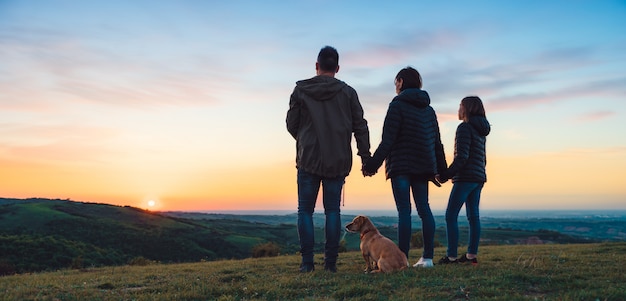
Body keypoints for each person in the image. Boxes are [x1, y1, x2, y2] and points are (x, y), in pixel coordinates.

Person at [286, 46, 371, 273]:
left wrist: (305, 139)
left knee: (305, 211)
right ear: (337, 68)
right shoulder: (348, 93)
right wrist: (365, 156)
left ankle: (307, 264)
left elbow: (291, 124)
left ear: (317, 66)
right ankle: (330, 264)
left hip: (308, 159)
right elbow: (360, 127)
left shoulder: (300, 91)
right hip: (338, 159)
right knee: (332, 211)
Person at [362, 67, 446, 268]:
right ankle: (427, 258)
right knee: (424, 210)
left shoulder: (397, 106)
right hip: (424, 166)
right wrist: (442, 171)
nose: (395, 87)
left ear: (400, 82)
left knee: (404, 212)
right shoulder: (429, 110)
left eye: (395, 83)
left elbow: (387, 141)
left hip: (400, 165)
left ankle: (402, 260)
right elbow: (437, 143)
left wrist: (371, 165)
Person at [437, 96, 490, 265]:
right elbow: (482, 158)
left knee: (450, 215)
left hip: (466, 177)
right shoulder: (481, 130)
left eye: (460, 106)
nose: (458, 110)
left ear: (467, 108)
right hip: (478, 177)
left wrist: (445, 175)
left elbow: (462, 157)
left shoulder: (464, 128)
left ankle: (451, 257)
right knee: (473, 216)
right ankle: (471, 256)